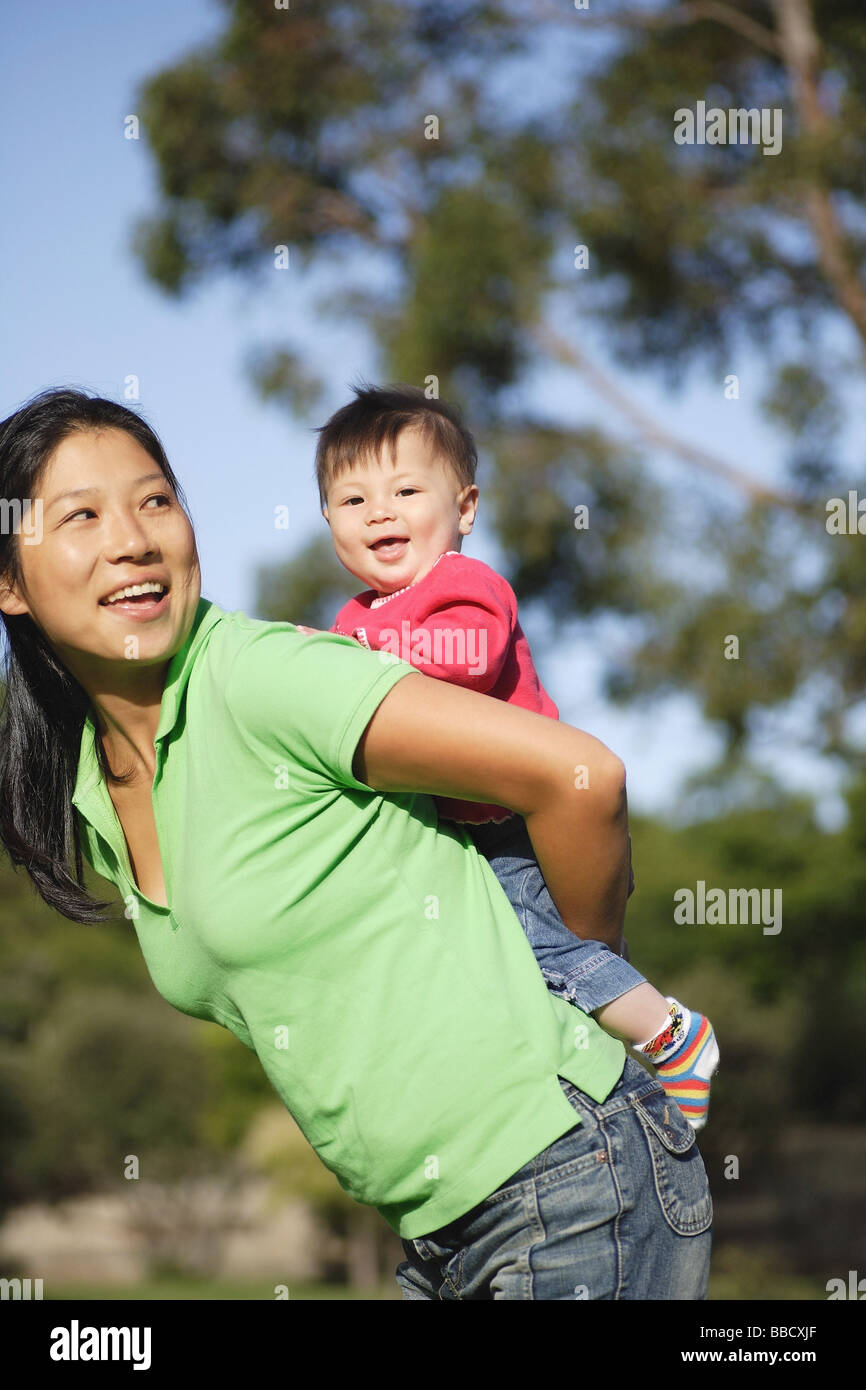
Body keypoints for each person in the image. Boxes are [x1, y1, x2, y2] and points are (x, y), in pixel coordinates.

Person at [0, 387, 712, 1299]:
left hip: (568, 1175)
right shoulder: (97, 794)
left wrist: (580, 977)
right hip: (441, 1229)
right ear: (10, 583)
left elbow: (581, 779)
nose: (133, 538)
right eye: (82, 516)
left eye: (155, 501)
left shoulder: (263, 679)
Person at [310, 383, 719, 1128]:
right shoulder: (353, 618)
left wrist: (345, 656)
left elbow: (464, 660)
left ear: (464, 508)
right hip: (459, 829)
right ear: (329, 522)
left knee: (540, 944)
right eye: (352, 499)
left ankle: (671, 1035)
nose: (380, 511)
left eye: (406, 489)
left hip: (516, 824)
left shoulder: (462, 584)